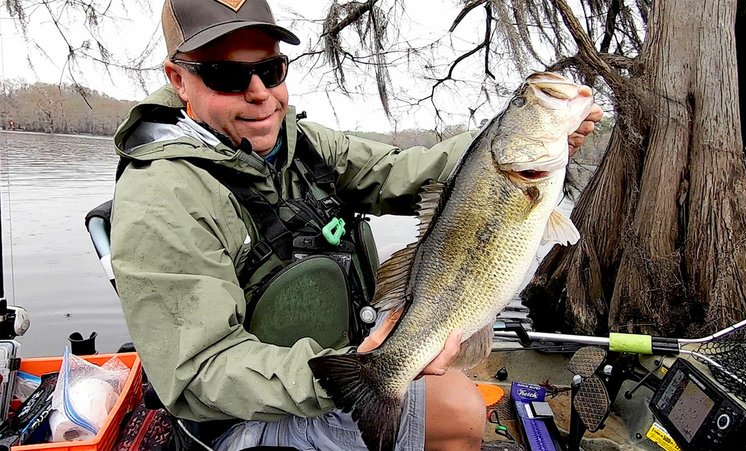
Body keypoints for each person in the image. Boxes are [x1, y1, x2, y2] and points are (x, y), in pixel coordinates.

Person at [110, 0, 603, 450]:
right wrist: (346, 377)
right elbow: (200, 372)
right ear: (178, 79)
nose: (259, 93)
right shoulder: (160, 198)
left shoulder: (301, 143)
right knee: (451, 410)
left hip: (341, 360)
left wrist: (526, 138)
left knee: (457, 399)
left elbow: (402, 174)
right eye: (225, 75)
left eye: (270, 68)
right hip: (240, 415)